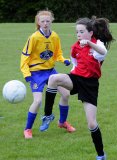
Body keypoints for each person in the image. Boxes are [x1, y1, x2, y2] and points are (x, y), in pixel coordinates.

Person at [43, 17, 114, 160]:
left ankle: (101, 155)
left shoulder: (96, 44)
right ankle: (48, 115)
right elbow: (75, 63)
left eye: (81, 32)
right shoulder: (76, 46)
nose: (79, 34)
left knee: (92, 123)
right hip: (76, 79)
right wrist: (71, 76)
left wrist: (88, 43)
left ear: (91, 32)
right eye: (77, 32)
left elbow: (103, 52)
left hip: (90, 85)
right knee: (53, 78)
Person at [20, 10, 76, 139]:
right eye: (42, 21)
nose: (45, 23)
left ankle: (62, 122)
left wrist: (64, 60)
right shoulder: (34, 37)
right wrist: (26, 73)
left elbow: (57, 53)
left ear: (51, 21)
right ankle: (28, 129)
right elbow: (25, 56)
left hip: (51, 71)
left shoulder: (55, 36)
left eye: (48, 21)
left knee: (66, 94)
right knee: (38, 101)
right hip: (36, 73)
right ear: (38, 22)